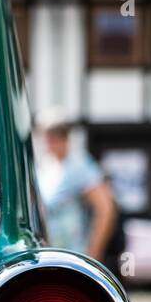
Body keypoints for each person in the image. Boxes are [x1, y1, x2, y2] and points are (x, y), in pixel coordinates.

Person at [34, 108, 117, 260]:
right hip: (49, 253)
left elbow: (105, 208)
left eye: (55, 135)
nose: (48, 141)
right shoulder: (46, 165)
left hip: (73, 255)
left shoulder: (79, 166)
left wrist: (93, 253)